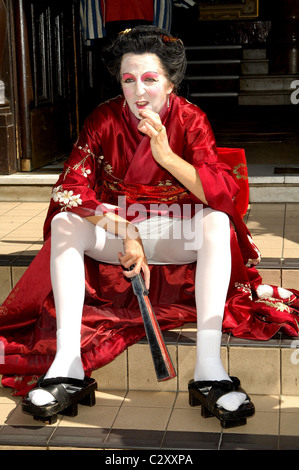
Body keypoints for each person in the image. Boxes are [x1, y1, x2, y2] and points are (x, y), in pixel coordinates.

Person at [1, 26, 298, 427]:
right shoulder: (104, 119)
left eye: (150, 79)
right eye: (128, 79)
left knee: (214, 222)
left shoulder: (191, 119)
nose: (139, 91)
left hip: (176, 231)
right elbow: (69, 188)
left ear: (171, 82)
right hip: (121, 227)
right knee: (68, 222)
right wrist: (124, 229)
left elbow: (223, 194)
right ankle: (67, 365)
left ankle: (209, 367)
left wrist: (167, 156)